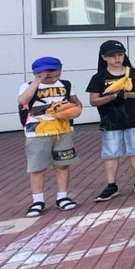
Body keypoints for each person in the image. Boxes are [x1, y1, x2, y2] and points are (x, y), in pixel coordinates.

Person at [86, 39, 135, 201]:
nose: (117, 58)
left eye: (120, 55)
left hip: (133, 118)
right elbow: (93, 100)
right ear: (104, 57)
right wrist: (112, 96)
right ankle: (111, 184)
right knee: (111, 153)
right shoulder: (99, 77)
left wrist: (128, 94)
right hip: (110, 121)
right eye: (112, 56)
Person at [18, 56, 82, 217]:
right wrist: (37, 81)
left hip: (62, 131)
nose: (53, 79)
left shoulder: (65, 85)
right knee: (37, 167)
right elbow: (22, 100)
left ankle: (62, 196)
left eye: (57, 75)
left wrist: (74, 110)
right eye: (49, 76)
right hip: (38, 132)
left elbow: (76, 103)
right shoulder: (27, 86)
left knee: (62, 165)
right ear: (37, 74)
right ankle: (37, 200)